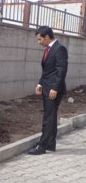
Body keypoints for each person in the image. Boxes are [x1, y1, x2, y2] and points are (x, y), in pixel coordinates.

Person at [28, 26, 68, 155]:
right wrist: (40, 83)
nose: (38, 42)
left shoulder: (59, 49)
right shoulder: (48, 49)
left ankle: (42, 146)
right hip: (46, 86)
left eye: (39, 39)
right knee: (51, 116)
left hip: (53, 89)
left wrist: (55, 88)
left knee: (48, 118)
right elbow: (47, 71)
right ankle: (50, 143)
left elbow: (61, 71)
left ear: (46, 37)